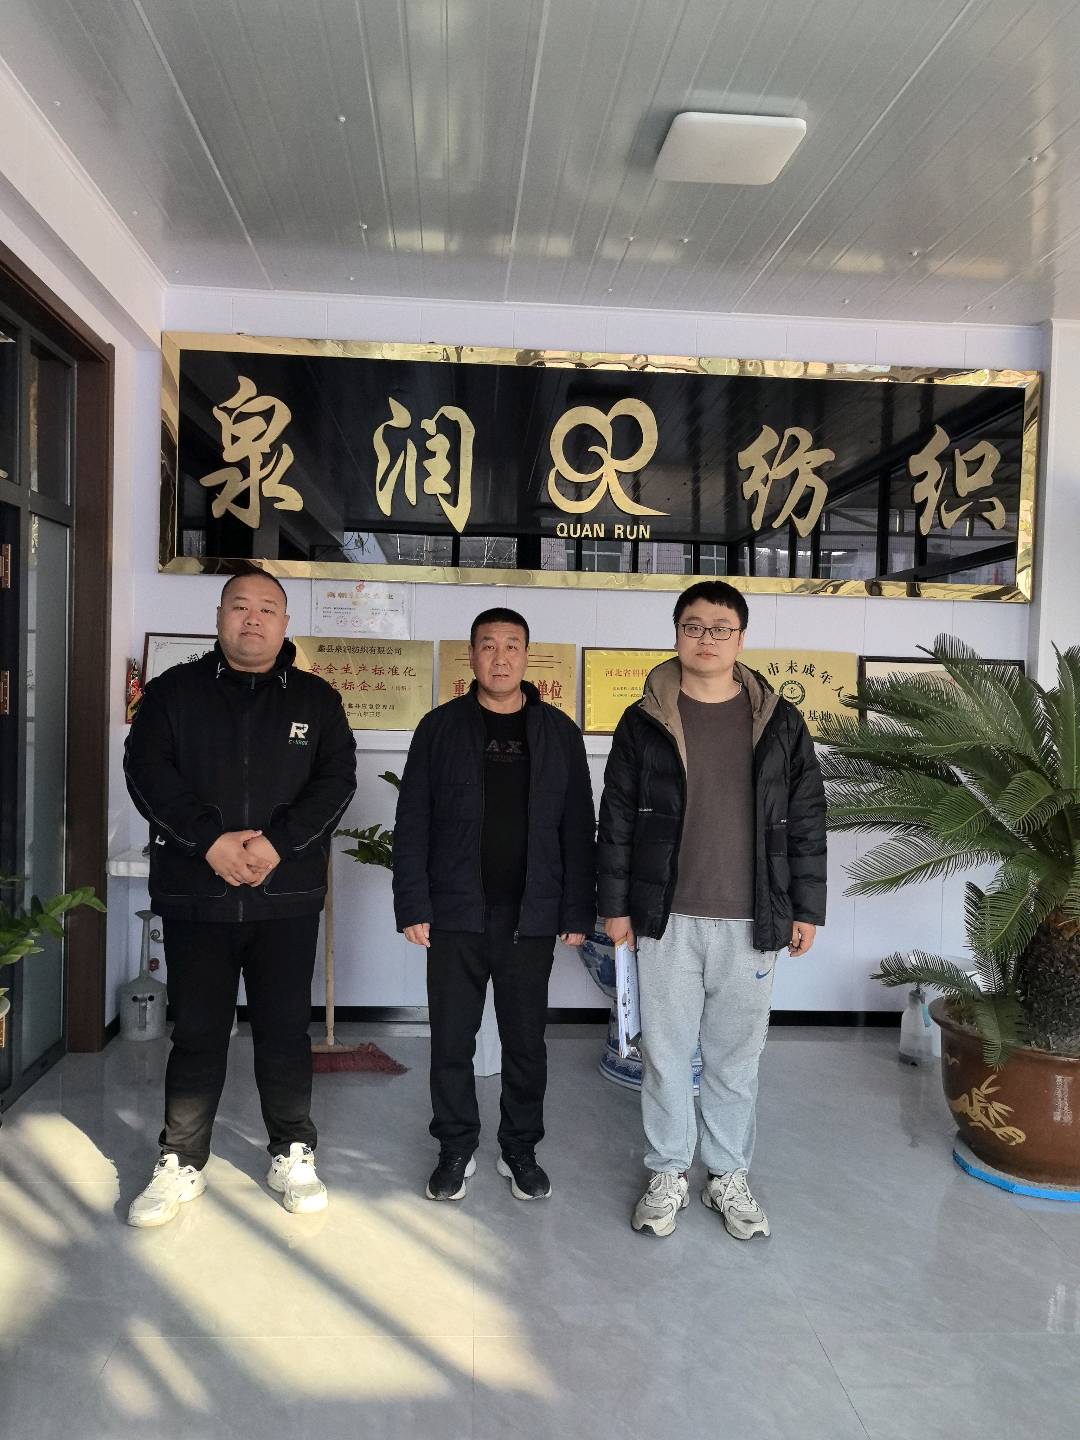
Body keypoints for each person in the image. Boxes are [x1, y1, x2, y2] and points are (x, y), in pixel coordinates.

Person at [123, 573, 356, 1226]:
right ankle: (181, 1159)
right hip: (197, 896)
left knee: (284, 1032)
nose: (253, 619)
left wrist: (275, 845)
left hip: (286, 899)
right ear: (219, 615)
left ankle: (293, 1151)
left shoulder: (317, 699)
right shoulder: (173, 694)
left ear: (284, 624)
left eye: (267, 609)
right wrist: (209, 843)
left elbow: (337, 780)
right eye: (241, 607)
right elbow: (145, 772)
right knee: (197, 1032)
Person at [597, 581, 826, 1241]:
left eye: (721, 628)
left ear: (741, 638)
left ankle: (727, 1174)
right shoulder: (644, 719)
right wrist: (615, 908)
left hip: (752, 920)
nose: (707, 638)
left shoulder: (779, 722)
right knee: (666, 1055)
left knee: (735, 1058)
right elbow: (616, 818)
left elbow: (807, 818)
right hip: (666, 918)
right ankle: (668, 1171)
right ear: (677, 633)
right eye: (694, 626)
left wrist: (806, 907)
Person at [393, 608, 595, 1203]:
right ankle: (455, 1147)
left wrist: (575, 911)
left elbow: (577, 827)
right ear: (471, 655)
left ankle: (519, 1148)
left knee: (526, 1042)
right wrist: (413, 904)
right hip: (455, 914)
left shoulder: (559, 733)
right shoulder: (439, 728)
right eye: (488, 645)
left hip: (529, 917)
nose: (500, 657)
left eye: (511, 645)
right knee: (451, 1040)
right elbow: (413, 822)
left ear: (527, 655)